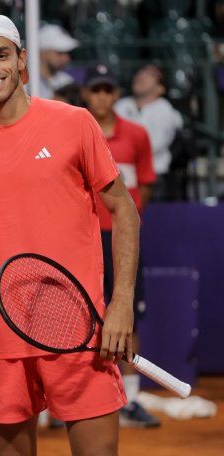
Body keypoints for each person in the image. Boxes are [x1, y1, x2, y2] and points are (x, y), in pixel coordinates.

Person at [0, 14, 140, 455]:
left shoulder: (74, 123)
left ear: (22, 60)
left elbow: (125, 211)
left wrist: (120, 305)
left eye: (1, 55)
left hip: (80, 329)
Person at [82, 64, 160, 428]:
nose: (101, 97)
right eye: (95, 90)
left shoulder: (138, 135)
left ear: (116, 94)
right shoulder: (78, 133)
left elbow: (142, 187)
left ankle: (130, 398)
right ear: (86, 95)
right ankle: (78, 397)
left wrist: (126, 224)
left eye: (107, 90)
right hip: (85, 239)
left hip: (123, 240)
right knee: (83, 315)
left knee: (127, 311)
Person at [114, 64, 183, 200]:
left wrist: (122, 149)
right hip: (119, 173)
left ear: (160, 88)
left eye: (150, 74)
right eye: (140, 72)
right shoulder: (120, 106)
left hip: (154, 177)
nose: (141, 76)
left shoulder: (165, 110)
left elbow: (155, 144)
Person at [38, 24, 79, 99]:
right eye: (60, 52)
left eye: (67, 53)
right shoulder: (24, 84)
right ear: (43, 51)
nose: (66, 58)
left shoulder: (67, 82)